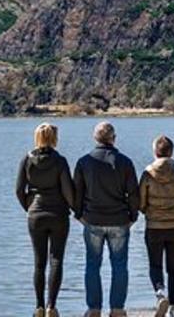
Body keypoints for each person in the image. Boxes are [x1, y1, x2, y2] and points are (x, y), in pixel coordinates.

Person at [73, 121, 139, 317]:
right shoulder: (125, 162)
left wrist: (79, 215)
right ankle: (117, 309)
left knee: (92, 265)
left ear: (95, 138)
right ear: (113, 138)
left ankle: (94, 309)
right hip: (119, 220)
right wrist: (133, 216)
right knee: (120, 265)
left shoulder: (84, 162)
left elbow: (77, 192)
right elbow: (133, 193)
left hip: (92, 220)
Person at [16, 123, 75, 317]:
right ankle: (52, 305)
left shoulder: (27, 159)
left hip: (36, 215)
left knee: (39, 263)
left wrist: (30, 207)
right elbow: (68, 191)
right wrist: (76, 209)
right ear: (54, 139)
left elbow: (19, 190)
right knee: (56, 260)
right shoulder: (60, 161)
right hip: (58, 214)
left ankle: (39, 306)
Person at [139, 135, 174, 317]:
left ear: (155, 152)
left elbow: (140, 202)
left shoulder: (147, 174)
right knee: (173, 268)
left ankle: (159, 293)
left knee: (155, 265)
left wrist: (148, 212)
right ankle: (173, 307)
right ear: (171, 152)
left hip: (154, 227)